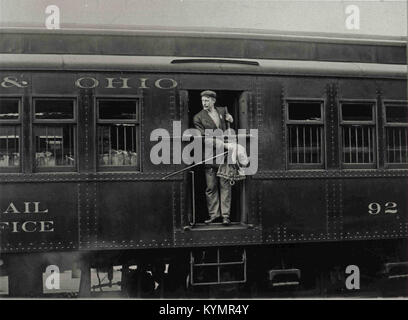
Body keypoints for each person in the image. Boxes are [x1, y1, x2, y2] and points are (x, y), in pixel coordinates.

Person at [193, 90, 233, 225]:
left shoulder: (223, 111)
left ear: (213, 101)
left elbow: (228, 127)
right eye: (203, 101)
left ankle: (226, 215)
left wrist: (231, 119)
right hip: (209, 156)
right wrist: (220, 143)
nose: (204, 103)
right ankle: (214, 215)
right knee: (211, 187)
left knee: (225, 185)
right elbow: (203, 137)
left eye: (207, 100)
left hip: (224, 155)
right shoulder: (198, 117)